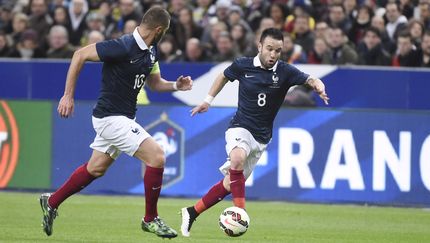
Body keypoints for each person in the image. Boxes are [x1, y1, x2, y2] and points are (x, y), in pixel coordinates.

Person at [39, 6, 193, 239]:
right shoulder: (122, 46)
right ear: (159, 29)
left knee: (95, 168)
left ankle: (52, 201)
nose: (165, 35)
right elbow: (79, 54)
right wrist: (68, 95)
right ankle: (150, 219)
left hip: (122, 118)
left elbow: (154, 83)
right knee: (157, 156)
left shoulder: (151, 52)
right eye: (166, 31)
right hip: (110, 118)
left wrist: (175, 86)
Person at [180, 28, 329, 237]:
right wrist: (207, 101)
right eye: (269, 49)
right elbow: (222, 76)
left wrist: (319, 87)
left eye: (278, 50)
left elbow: (311, 79)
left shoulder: (285, 72)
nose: (273, 55)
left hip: (261, 138)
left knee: (229, 184)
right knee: (237, 158)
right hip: (240, 127)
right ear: (259, 46)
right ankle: (240, 214)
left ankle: (191, 212)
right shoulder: (243, 65)